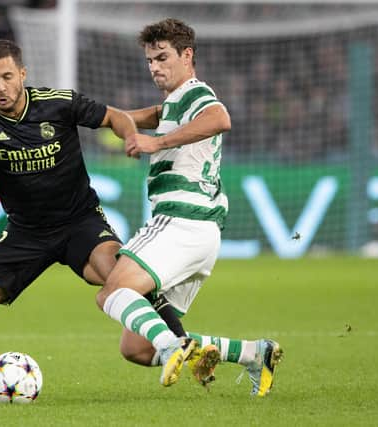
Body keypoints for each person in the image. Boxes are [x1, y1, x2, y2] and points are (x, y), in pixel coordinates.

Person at [0, 39, 186, 398]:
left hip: (80, 222)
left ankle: (181, 343)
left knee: (124, 275)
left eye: (8, 77)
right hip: (25, 233)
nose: (1, 87)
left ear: (23, 74)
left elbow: (115, 117)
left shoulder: (58, 103)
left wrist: (130, 137)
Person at [96, 18, 283, 397]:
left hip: (181, 221)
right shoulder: (174, 104)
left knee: (111, 292)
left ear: (187, 55)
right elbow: (126, 117)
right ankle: (252, 353)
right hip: (203, 235)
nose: (155, 67)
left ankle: (173, 347)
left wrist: (155, 144)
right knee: (135, 347)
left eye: (163, 57)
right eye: (150, 60)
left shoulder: (195, 93)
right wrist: (83, 114)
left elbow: (220, 118)